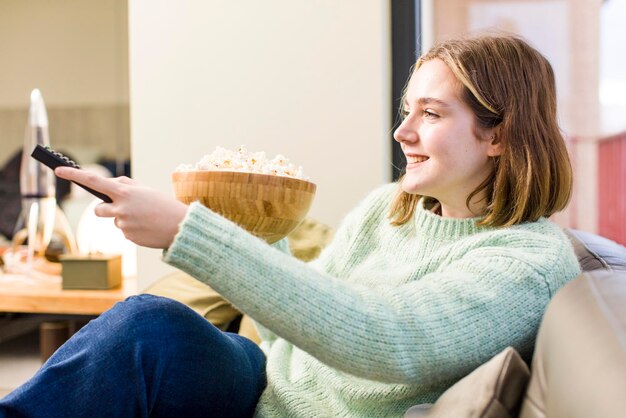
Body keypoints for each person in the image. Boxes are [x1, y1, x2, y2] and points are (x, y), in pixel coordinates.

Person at [0, 34, 581, 417]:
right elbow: (295, 327)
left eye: (430, 114)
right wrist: (254, 222)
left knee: (148, 325)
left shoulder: (526, 265)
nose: (403, 133)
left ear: (500, 134)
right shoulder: (389, 208)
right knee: (153, 325)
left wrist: (189, 232)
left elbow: (389, 339)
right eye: (407, 111)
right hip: (264, 385)